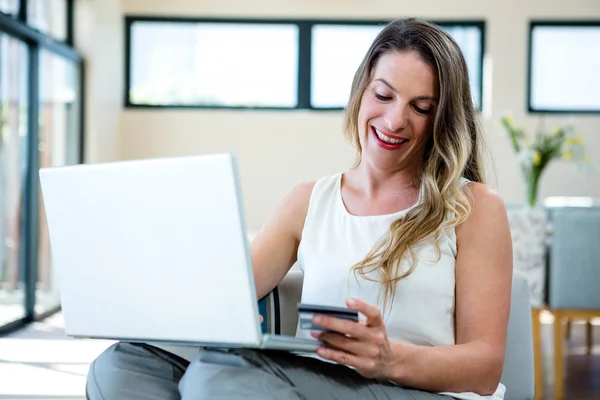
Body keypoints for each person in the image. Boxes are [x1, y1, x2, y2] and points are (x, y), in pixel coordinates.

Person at [86, 17, 513, 400]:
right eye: (384, 95)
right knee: (122, 366)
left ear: (442, 120)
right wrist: (132, 280)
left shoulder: (474, 208)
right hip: (310, 382)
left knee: (218, 377)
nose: (395, 120)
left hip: (413, 390)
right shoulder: (310, 201)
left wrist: (388, 359)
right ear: (361, 91)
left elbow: (485, 369)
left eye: (421, 108)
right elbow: (226, 296)